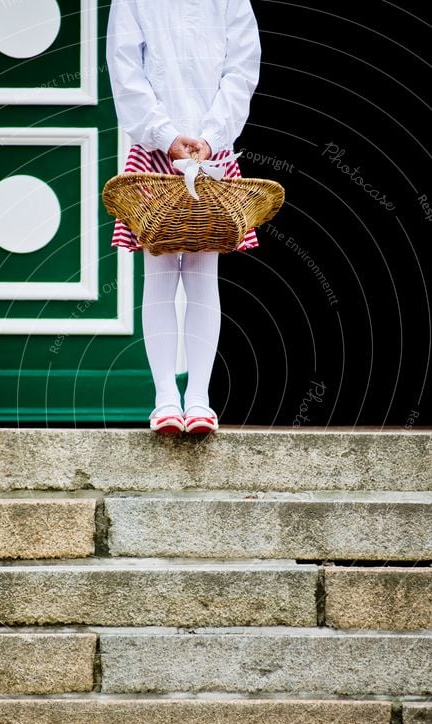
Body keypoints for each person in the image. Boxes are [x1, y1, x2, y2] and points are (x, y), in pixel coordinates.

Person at [106, 0, 261, 433]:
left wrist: (211, 136)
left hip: (210, 148)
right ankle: (165, 400)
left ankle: (198, 399)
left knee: (200, 271)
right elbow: (125, 67)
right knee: (159, 271)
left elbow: (242, 69)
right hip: (158, 147)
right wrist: (166, 134)